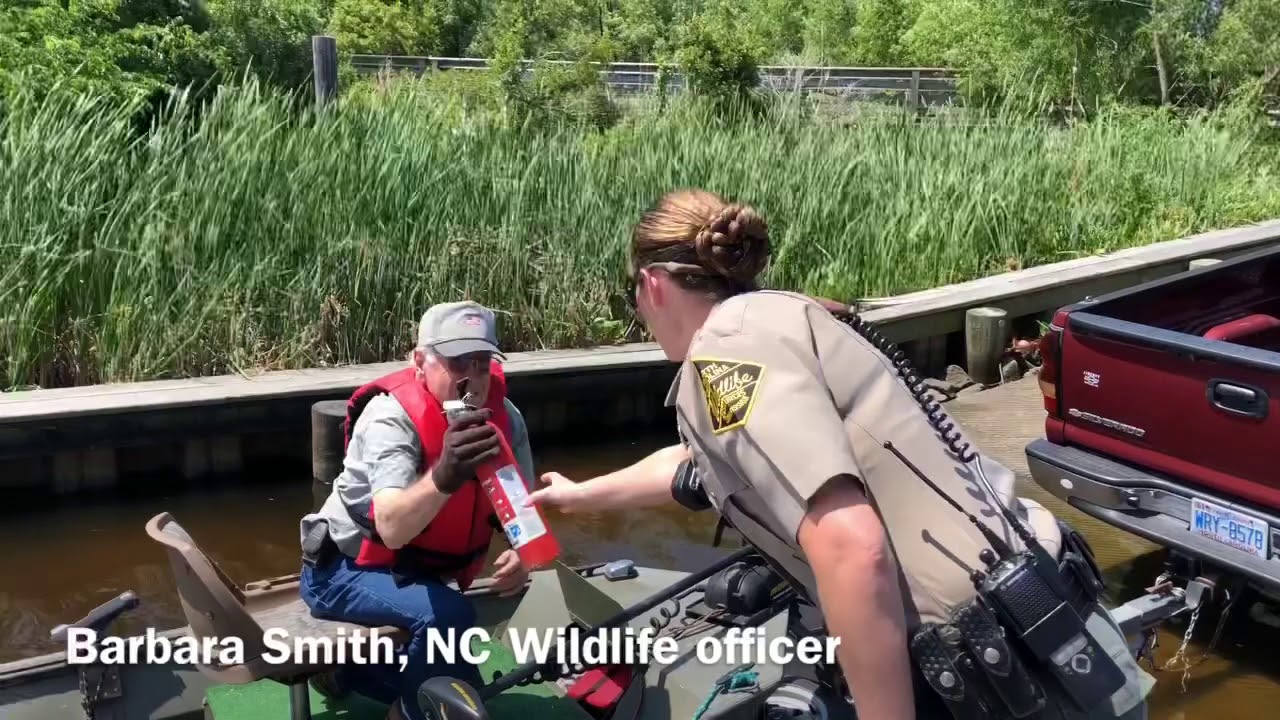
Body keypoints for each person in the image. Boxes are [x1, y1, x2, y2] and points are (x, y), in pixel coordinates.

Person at [527, 189, 1154, 719]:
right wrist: (577, 494)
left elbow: (851, 544)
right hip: (1067, 638)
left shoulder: (724, 354)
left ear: (652, 284)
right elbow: (699, 471)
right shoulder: (780, 318)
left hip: (1016, 679)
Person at [299, 301, 536, 720]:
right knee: (450, 619)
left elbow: (522, 515)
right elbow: (390, 527)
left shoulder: (506, 418)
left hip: (419, 571)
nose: (472, 377)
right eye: (457, 361)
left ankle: (343, 675)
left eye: (482, 363)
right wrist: (445, 474)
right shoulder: (391, 417)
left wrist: (522, 554)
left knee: (471, 692)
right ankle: (406, 713)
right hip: (344, 569)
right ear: (420, 361)